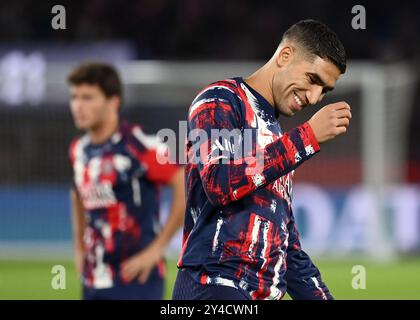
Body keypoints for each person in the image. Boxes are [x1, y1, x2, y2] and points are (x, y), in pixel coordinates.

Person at [173, 19, 351, 300]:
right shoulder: (220, 100)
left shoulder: (276, 136)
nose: (315, 97)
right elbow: (219, 183)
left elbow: (287, 248)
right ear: (285, 56)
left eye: (325, 90)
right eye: (313, 80)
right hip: (213, 284)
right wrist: (306, 138)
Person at [68, 62, 185, 300]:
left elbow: (184, 184)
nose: (78, 106)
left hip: (136, 280)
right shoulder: (78, 150)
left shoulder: (140, 146)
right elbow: (77, 193)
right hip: (94, 278)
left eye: (88, 97)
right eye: (74, 97)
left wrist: (157, 249)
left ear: (113, 102)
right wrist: (79, 248)